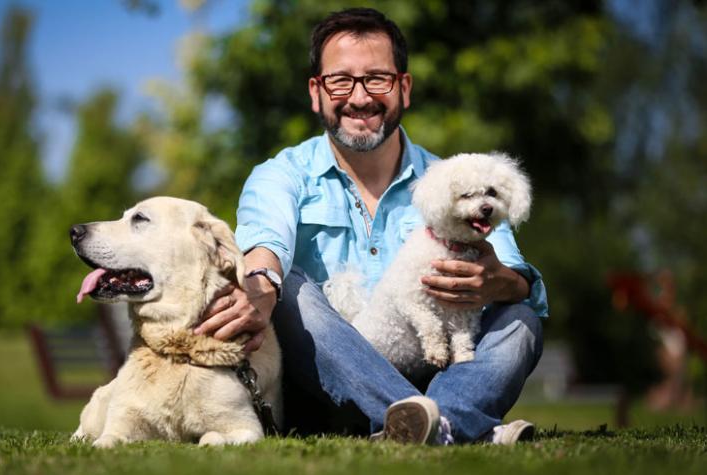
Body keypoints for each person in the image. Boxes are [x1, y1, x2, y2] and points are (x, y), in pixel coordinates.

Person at [194, 7, 548, 445]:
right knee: (289, 290)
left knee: (522, 319)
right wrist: (263, 281)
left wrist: (500, 281)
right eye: (341, 80)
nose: (359, 97)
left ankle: (429, 423)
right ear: (316, 92)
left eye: (377, 79)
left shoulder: (459, 182)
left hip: (440, 374)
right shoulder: (281, 173)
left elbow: (519, 278)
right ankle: (447, 426)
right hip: (324, 387)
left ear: (404, 88)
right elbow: (266, 240)